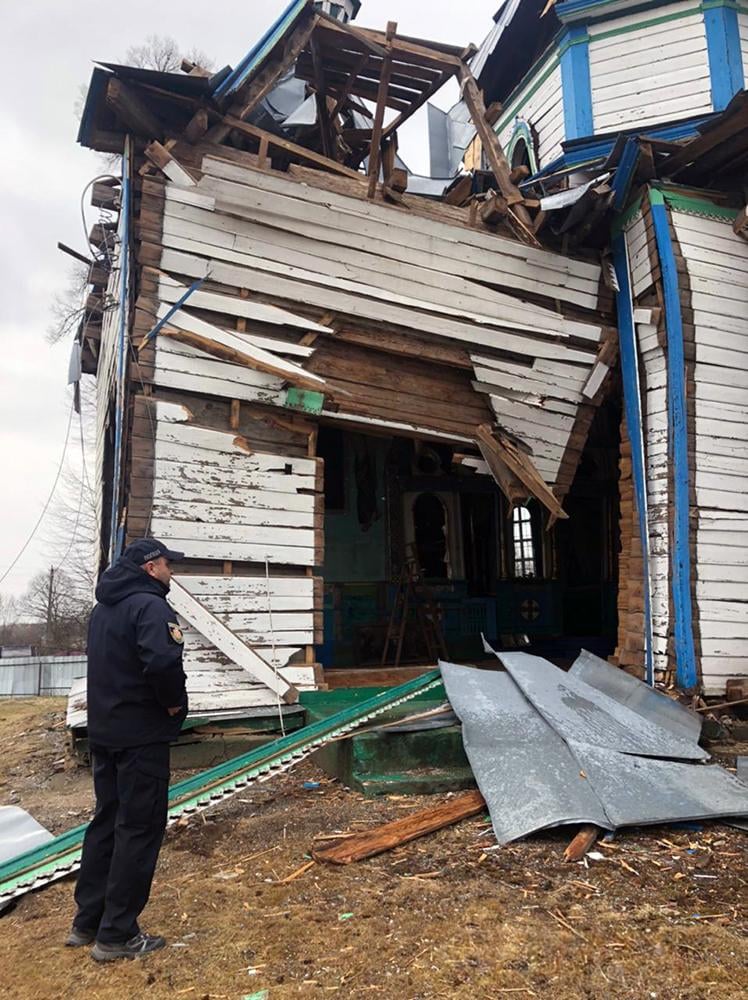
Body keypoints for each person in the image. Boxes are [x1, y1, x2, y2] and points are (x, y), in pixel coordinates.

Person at [66, 538, 188, 962]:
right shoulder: (150, 607)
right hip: (141, 737)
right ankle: (117, 935)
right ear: (151, 567)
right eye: (168, 564)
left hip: (105, 734)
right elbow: (161, 662)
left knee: (106, 822)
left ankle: (87, 921)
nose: (172, 571)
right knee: (138, 829)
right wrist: (173, 702)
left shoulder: (103, 610)